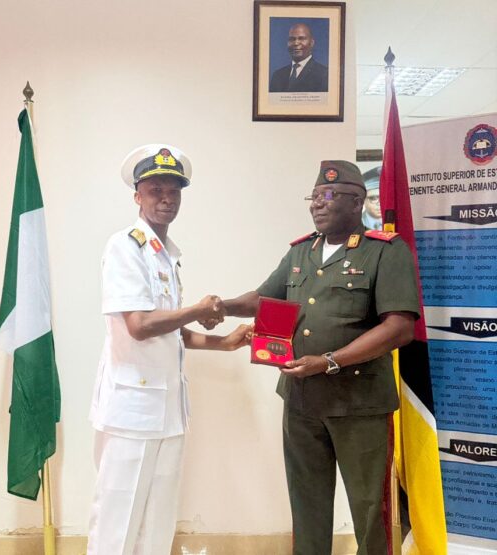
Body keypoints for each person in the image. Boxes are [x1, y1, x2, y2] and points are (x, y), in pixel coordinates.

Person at [204, 160, 420, 554]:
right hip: (302, 401)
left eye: (329, 195)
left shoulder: (384, 251)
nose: (318, 204)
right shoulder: (302, 251)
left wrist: (330, 360)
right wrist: (222, 306)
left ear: (356, 202)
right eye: (315, 196)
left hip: (359, 404)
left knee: (369, 507)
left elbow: (399, 327)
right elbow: (263, 298)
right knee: (307, 502)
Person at [87, 144, 250, 555]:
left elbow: (171, 332)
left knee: (158, 522)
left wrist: (224, 343)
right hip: (131, 411)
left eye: (174, 191)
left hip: (169, 411)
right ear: (137, 196)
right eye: (156, 190)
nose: (166, 199)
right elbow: (140, 326)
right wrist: (196, 310)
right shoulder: (126, 247)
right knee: (117, 522)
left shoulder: (167, 255)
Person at [269, 23, 328, 93]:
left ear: (311, 43)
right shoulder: (277, 76)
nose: (296, 43)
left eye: (301, 38)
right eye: (292, 39)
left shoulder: (324, 74)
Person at [362, 166, 382, 230]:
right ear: (363, 200)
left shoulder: (399, 221)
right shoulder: (355, 223)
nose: (380, 203)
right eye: (373, 198)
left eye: (383, 198)